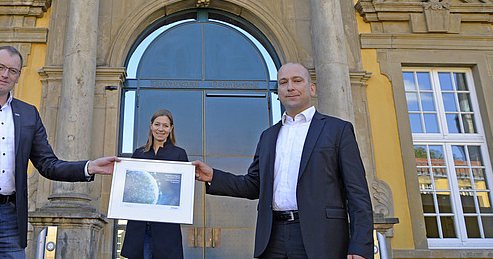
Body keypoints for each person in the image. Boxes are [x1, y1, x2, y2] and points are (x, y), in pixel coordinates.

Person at [0, 46, 119, 259]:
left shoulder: (28, 114)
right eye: (0, 67)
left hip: (8, 217)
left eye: (13, 70)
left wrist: (88, 167)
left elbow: (48, 164)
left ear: (18, 76)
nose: (5, 74)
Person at [193, 62, 373, 259]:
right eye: (283, 82)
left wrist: (360, 246)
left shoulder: (338, 130)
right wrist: (213, 176)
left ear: (311, 88)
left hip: (322, 239)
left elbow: (358, 194)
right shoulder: (268, 136)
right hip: (273, 237)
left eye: (297, 81)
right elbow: (254, 185)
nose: (290, 87)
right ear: (278, 92)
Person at [121, 109, 188, 259]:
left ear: (171, 129)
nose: (160, 129)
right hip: (140, 226)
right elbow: (131, 189)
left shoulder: (179, 154)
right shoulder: (139, 154)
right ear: (151, 126)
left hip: (167, 226)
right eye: (157, 124)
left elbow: (182, 191)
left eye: (165, 125)